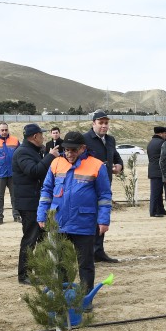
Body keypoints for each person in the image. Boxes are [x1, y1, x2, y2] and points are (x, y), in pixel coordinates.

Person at [38, 131, 112, 292]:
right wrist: (42, 214)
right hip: (59, 221)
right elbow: (46, 190)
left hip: (83, 223)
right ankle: (64, 294)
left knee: (85, 263)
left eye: (73, 150)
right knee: (62, 263)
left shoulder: (97, 165)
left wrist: (104, 220)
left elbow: (104, 195)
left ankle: (85, 297)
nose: (69, 153)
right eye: (67, 150)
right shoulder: (56, 163)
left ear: (82, 148)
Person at [12, 123, 60, 284]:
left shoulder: (32, 151)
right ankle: (24, 275)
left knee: (41, 238)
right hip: (29, 203)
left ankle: (38, 269)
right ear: (34, 137)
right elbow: (34, 171)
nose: (44, 137)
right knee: (30, 238)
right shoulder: (22, 152)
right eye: (41, 134)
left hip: (35, 201)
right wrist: (50, 156)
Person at [83, 110, 122, 263]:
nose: (104, 126)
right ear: (93, 124)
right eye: (101, 123)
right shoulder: (85, 139)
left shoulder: (110, 139)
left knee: (102, 218)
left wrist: (119, 165)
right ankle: (88, 253)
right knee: (90, 219)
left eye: (106, 123)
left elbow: (115, 156)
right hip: (89, 185)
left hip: (105, 186)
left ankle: (98, 251)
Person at [147, 126, 166, 217]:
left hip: (153, 170)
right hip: (158, 171)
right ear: (160, 134)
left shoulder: (151, 142)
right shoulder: (162, 143)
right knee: (155, 192)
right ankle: (153, 211)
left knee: (158, 192)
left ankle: (160, 209)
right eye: (164, 133)